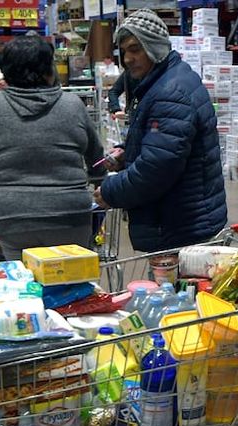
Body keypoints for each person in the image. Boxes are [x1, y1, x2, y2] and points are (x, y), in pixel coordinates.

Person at [94, 8, 226, 252]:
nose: (128, 59)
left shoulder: (169, 92)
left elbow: (156, 170)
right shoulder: (163, 81)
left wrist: (111, 191)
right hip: (182, 220)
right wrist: (128, 152)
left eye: (135, 49)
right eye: (124, 51)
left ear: (155, 46)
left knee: (179, 289)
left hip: (181, 228)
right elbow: (164, 146)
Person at [0, 36, 105, 259]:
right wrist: (99, 180)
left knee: (23, 283)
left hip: (11, 215)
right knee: (74, 281)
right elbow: (97, 159)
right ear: (49, 70)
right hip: (70, 214)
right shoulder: (72, 105)